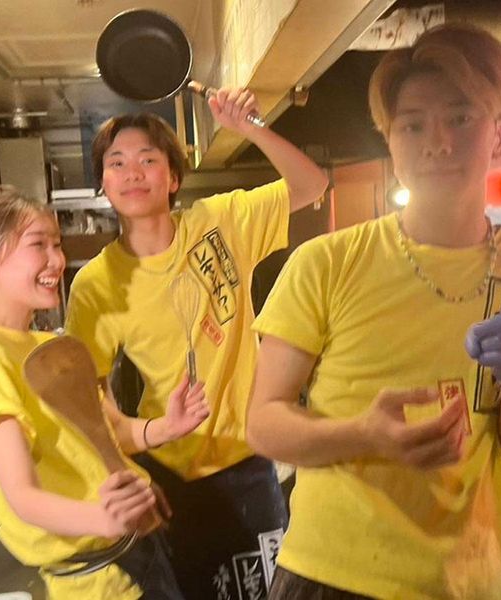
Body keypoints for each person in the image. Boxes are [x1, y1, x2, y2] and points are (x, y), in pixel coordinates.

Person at [246, 25, 501, 599]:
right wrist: (363, 434)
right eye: (412, 125)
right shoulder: (325, 263)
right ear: (390, 142)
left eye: (460, 118)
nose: (436, 142)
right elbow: (263, 423)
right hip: (329, 571)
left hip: (470, 581)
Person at [65, 88, 328, 598]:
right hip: (167, 473)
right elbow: (88, 401)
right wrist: (140, 448)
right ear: (103, 184)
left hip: (249, 460)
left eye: (148, 159)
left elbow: (311, 184)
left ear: (173, 178)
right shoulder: (96, 285)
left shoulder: (220, 221)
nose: (133, 172)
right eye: (116, 163)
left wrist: (248, 126)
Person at [0, 190, 209, 600]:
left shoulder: (47, 345)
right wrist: (104, 519)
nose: (57, 260)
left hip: (137, 556)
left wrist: (166, 427)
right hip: (97, 582)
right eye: (38, 245)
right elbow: (24, 497)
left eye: (57, 245)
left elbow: (109, 433)